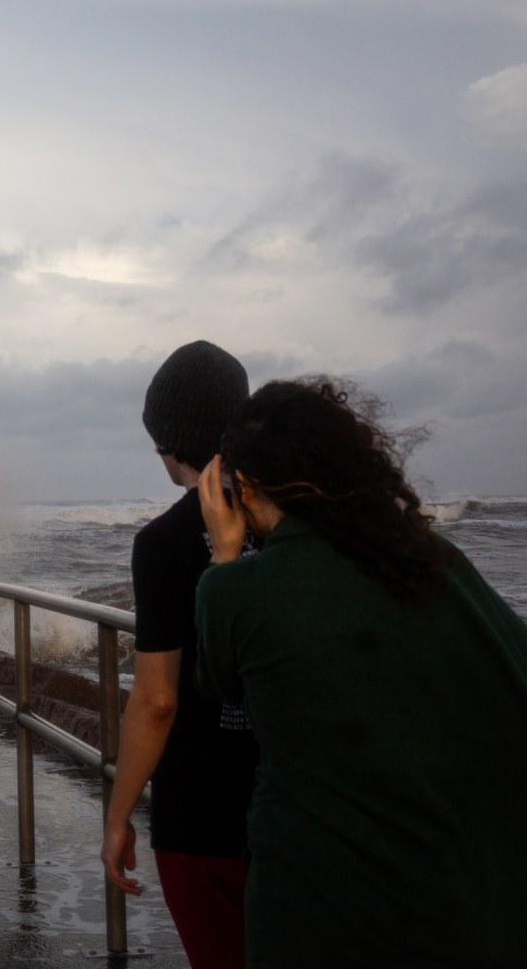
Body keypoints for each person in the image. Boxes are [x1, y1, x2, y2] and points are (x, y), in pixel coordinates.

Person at [196, 377, 527, 968]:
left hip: (317, 910)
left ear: (240, 488)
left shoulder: (237, 589)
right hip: (467, 905)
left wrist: (225, 554)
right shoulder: (438, 564)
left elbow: (220, 684)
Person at [102, 340, 260, 969]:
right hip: (303, 805)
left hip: (202, 812)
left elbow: (157, 700)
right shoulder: (299, 528)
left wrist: (117, 816)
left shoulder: (164, 543)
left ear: (168, 442)